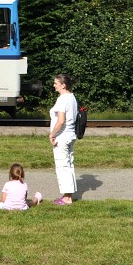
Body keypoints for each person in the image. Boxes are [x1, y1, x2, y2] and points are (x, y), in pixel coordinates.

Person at [49, 73, 78, 205]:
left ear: (63, 85)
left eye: (56, 83)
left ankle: (67, 198)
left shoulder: (62, 100)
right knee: (69, 165)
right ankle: (68, 194)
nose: (54, 86)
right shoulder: (72, 97)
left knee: (62, 166)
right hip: (70, 135)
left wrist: (52, 134)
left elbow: (61, 121)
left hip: (62, 137)